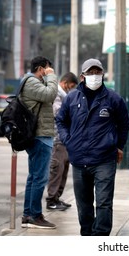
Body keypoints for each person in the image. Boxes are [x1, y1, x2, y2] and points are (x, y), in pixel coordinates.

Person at [56, 58, 129, 236]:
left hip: (104, 159)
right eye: (91, 72)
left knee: (104, 202)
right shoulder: (72, 98)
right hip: (79, 160)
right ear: (83, 76)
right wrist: (68, 140)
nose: (95, 76)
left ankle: (100, 238)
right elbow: (61, 120)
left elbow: (124, 124)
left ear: (103, 74)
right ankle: (87, 236)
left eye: (98, 72)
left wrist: (119, 146)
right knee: (84, 205)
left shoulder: (113, 98)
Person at [20, 56, 58, 229]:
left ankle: (28, 214)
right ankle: (35, 215)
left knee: (34, 177)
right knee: (39, 178)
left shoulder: (32, 83)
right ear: (41, 69)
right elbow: (51, 94)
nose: (49, 72)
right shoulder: (32, 82)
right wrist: (52, 76)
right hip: (40, 136)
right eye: (47, 69)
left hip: (39, 135)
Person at [45, 72, 78, 211]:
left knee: (63, 171)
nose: (71, 89)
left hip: (65, 140)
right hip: (57, 139)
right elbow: (58, 113)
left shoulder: (65, 96)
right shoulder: (57, 94)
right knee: (57, 170)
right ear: (64, 83)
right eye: (70, 86)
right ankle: (51, 199)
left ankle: (57, 197)